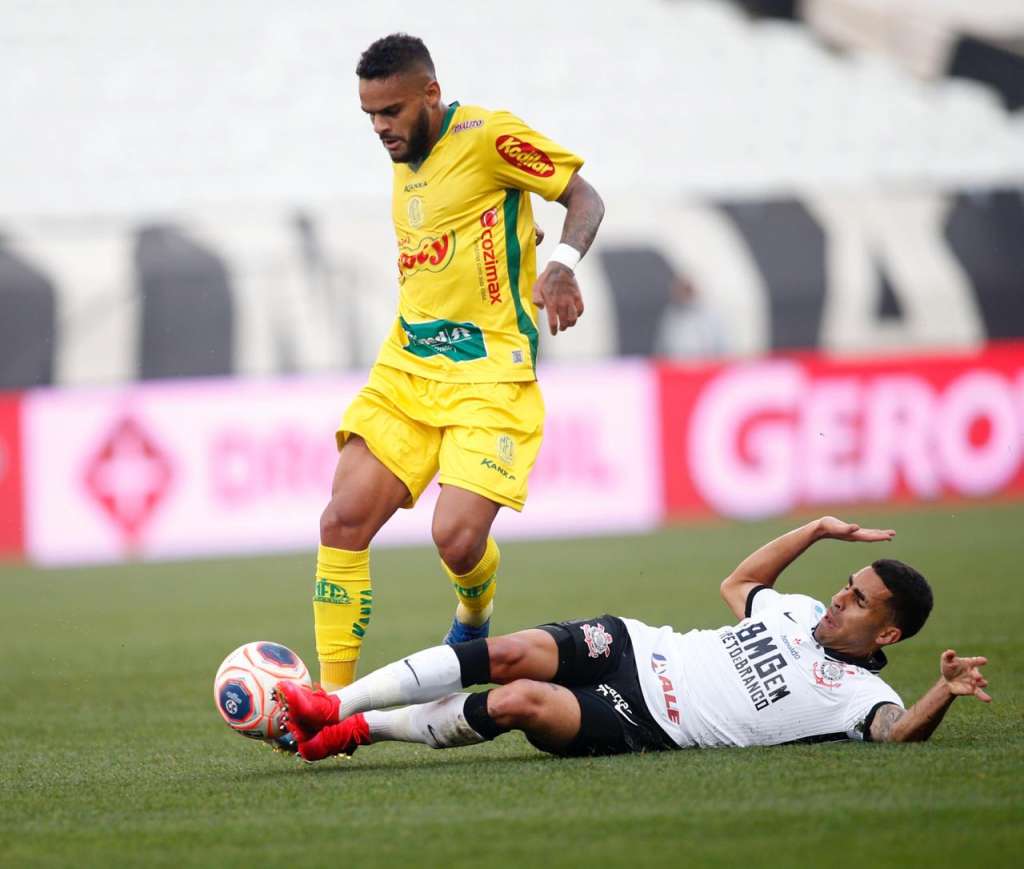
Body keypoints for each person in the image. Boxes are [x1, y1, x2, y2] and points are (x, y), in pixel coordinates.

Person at [312, 33, 605, 692]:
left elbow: (585, 199)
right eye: (370, 116)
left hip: (490, 376)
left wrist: (559, 265)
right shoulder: (407, 152)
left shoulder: (488, 136)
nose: (381, 128)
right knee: (342, 519)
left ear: (430, 94)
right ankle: (330, 704)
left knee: (456, 539)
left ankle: (474, 611)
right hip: (408, 368)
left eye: (391, 112)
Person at [276, 517, 991, 761]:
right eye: (847, 582)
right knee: (510, 651)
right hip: (635, 645)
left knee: (522, 699)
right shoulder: (799, 611)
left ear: (887, 631)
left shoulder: (862, 694)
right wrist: (817, 529)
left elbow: (896, 736)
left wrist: (944, 691)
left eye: (858, 599)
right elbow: (739, 583)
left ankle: (359, 728)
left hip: (648, 721)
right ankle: (332, 702)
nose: (841, 596)